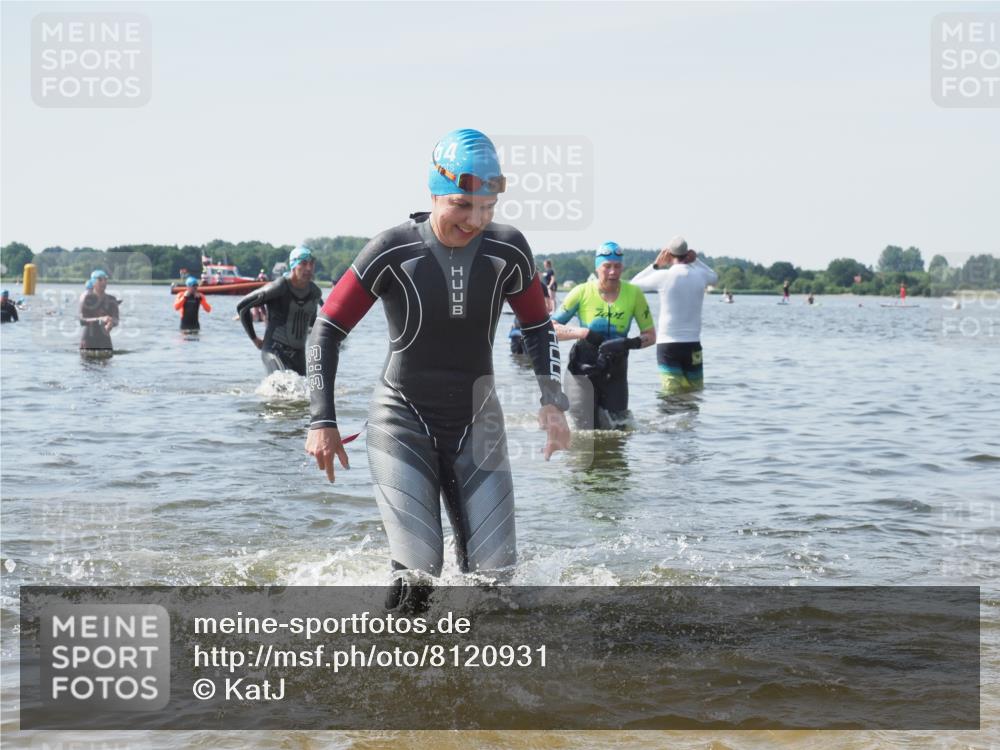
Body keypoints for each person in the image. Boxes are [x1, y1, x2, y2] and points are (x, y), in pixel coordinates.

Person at [303, 128, 571, 610]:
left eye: (486, 208)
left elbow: (538, 326)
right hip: (401, 418)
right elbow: (326, 330)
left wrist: (553, 402)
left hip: (476, 421)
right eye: (461, 205)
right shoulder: (393, 248)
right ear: (432, 194)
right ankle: (393, 678)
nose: (474, 220)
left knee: (496, 581)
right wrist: (322, 420)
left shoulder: (507, 249)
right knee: (418, 575)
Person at [552, 241, 655, 429]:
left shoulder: (634, 294)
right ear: (597, 268)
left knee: (618, 428)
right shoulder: (581, 292)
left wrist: (629, 343)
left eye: (617, 266)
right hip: (583, 368)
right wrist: (583, 333)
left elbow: (650, 335)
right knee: (584, 429)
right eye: (607, 266)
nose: (613, 272)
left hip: (616, 370)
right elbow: (552, 328)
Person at [631, 236, 718, 395]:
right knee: (694, 393)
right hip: (693, 345)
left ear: (669, 255)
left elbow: (633, 285)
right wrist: (696, 261)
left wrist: (655, 265)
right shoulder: (700, 275)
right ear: (688, 254)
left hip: (668, 346)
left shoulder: (663, 276)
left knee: (670, 395)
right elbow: (715, 277)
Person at [236, 246, 323, 376]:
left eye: (312, 264)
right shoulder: (279, 287)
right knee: (284, 386)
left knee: (304, 393)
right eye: (304, 264)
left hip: (298, 354)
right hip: (274, 351)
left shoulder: (315, 293)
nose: (309, 268)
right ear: (293, 265)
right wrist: (254, 339)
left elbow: (312, 325)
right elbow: (242, 306)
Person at [79, 270, 119, 354]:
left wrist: (111, 323)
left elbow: (116, 319)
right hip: (88, 339)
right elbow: (82, 321)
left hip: (105, 339)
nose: (103, 282)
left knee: (108, 365)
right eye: (100, 279)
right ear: (93, 282)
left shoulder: (112, 299)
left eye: (105, 279)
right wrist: (100, 319)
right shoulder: (87, 299)